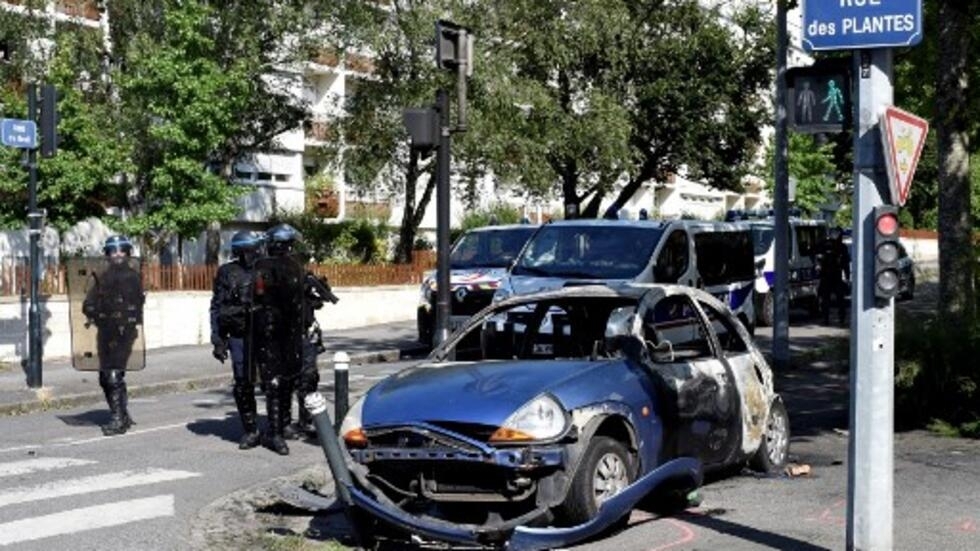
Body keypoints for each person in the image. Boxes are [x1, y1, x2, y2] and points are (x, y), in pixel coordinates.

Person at [251, 223, 307, 455]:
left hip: (290, 330)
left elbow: (298, 297)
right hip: (271, 331)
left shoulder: (295, 265)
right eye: (287, 244)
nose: (288, 248)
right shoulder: (263, 266)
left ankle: (283, 425)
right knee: (274, 382)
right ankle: (274, 432)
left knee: (289, 379)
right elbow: (260, 295)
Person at [82, 235, 145, 436]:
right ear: (108, 254)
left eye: (121, 251)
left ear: (127, 253)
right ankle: (122, 414)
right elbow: (88, 303)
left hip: (124, 331)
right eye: (113, 251)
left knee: (113, 373)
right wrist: (94, 309)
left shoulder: (133, 276)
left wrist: (118, 311)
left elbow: (135, 305)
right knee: (104, 376)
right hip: (105, 330)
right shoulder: (102, 277)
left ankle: (118, 419)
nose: (117, 254)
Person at [210, 231, 265, 450]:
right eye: (244, 251)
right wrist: (218, 339)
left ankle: (279, 428)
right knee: (243, 384)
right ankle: (251, 429)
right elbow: (217, 306)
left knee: (275, 382)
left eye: (251, 250)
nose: (248, 256)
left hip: (265, 336)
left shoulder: (267, 269)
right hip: (239, 336)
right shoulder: (226, 272)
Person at [816, 227, 850, 325]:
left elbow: (845, 262)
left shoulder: (841, 247)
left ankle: (841, 319)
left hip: (836, 275)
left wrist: (847, 276)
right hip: (827, 275)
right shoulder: (826, 245)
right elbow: (818, 255)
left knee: (839, 299)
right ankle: (827, 319)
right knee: (826, 299)